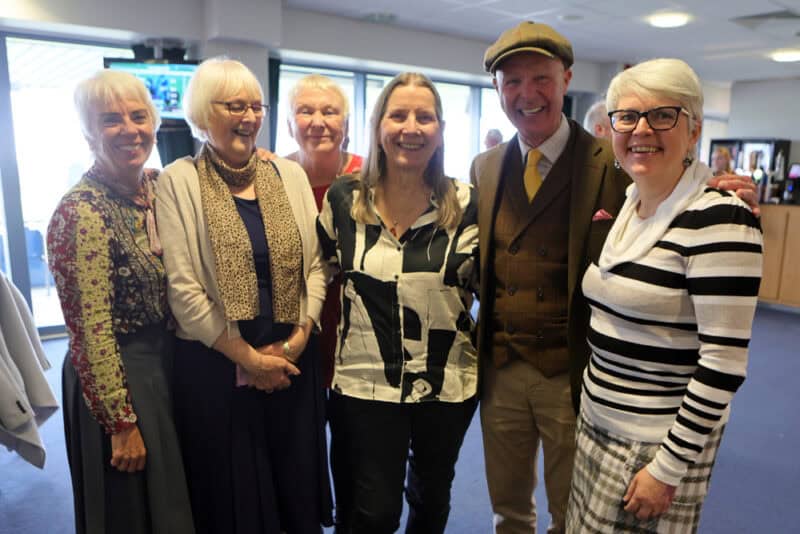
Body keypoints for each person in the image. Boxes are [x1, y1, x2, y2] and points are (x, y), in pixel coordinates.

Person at [470, 21, 759, 534]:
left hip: (572, 372)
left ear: (566, 80)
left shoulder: (618, 160)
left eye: (541, 78)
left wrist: (721, 189)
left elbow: (675, 191)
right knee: (508, 507)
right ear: (497, 90)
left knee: (572, 511)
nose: (527, 94)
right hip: (503, 370)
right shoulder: (485, 167)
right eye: (511, 82)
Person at [565, 58, 762, 533]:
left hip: (652, 450)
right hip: (597, 426)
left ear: (693, 130)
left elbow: (723, 365)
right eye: (627, 116)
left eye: (663, 115)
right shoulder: (630, 204)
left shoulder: (721, 219)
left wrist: (667, 469)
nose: (641, 129)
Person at [155, 57, 332, 533]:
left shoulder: (289, 176)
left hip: (292, 361)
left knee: (293, 492)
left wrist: (292, 344)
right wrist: (250, 360)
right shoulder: (178, 181)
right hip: (216, 364)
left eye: (257, 105)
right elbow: (184, 291)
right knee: (233, 502)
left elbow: (317, 267)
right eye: (235, 105)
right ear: (202, 113)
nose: (250, 117)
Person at [317, 72, 479, 534]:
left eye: (425, 117)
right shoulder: (345, 198)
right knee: (374, 511)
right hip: (364, 381)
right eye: (398, 115)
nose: (411, 127)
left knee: (430, 498)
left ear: (441, 129)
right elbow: (320, 271)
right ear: (378, 127)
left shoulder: (468, 204)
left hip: (447, 380)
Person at [46, 70, 194, 534]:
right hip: (120, 377)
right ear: (89, 132)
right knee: (132, 511)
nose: (130, 129)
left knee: (170, 501)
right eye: (112, 120)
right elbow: (90, 331)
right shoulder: (81, 212)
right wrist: (120, 423)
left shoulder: (154, 188)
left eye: (138, 116)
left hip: (165, 367)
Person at [285, 73, 363, 533]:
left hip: (358, 333)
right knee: (300, 450)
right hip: (296, 333)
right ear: (290, 122)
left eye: (329, 111)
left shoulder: (369, 175)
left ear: (346, 123)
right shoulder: (273, 175)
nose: (318, 122)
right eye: (306, 111)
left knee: (356, 452)